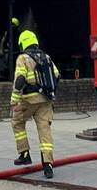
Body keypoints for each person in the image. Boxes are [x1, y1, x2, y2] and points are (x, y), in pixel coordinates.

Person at [10, 30, 60, 179]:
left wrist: (14, 100)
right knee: (45, 130)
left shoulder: (23, 58)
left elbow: (20, 79)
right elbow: (57, 75)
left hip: (29, 100)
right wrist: (50, 93)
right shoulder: (46, 57)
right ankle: (48, 165)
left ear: (22, 43)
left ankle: (24, 154)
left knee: (17, 122)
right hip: (46, 100)